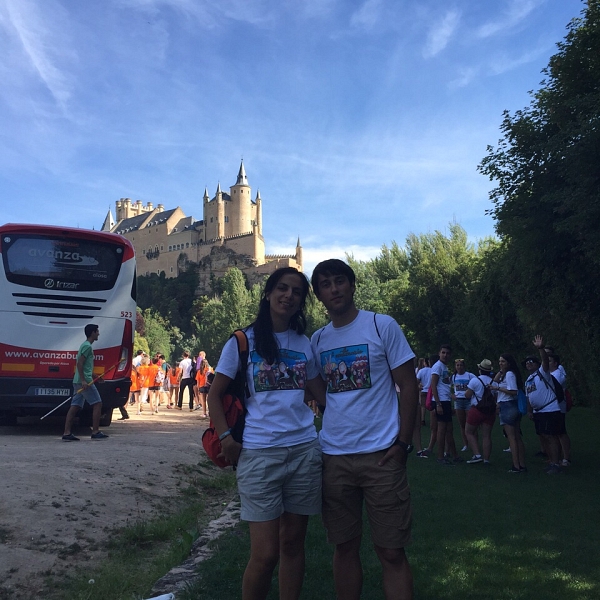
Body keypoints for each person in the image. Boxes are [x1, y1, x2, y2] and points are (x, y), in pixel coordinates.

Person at [207, 267, 325, 600]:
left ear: (301, 301)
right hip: (260, 452)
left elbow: (321, 394)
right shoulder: (243, 341)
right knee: (265, 554)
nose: (289, 296)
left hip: (303, 449)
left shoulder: (304, 344)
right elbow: (214, 395)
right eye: (283, 289)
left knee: (292, 544)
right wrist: (227, 437)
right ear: (269, 293)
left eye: (297, 292)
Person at [310, 259, 418, 600]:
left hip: (382, 455)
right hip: (335, 457)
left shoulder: (381, 326)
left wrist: (402, 444)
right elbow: (319, 392)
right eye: (326, 285)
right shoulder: (317, 340)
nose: (334, 289)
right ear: (319, 296)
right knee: (344, 548)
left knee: (391, 551)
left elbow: (409, 386)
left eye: (340, 281)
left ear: (352, 285)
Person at [523, 335, 564, 475]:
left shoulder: (542, 373)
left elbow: (545, 361)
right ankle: (551, 461)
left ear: (537, 364)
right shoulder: (528, 379)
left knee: (551, 436)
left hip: (549, 408)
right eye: (526, 363)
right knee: (544, 436)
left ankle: (556, 464)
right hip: (538, 411)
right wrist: (529, 411)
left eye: (531, 362)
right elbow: (529, 397)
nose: (528, 364)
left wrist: (540, 349)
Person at [62, 324, 109, 441]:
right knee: (97, 403)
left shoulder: (85, 346)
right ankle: (95, 431)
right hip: (85, 382)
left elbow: (86, 367)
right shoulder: (87, 346)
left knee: (75, 406)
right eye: (97, 331)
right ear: (92, 333)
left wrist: (96, 376)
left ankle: (67, 433)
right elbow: (79, 363)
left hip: (79, 380)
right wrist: (84, 380)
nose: (98, 333)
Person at [491, 354, 526, 473]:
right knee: (516, 436)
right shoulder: (506, 374)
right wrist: (501, 371)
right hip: (511, 406)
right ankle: (521, 464)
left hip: (507, 405)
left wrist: (498, 389)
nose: (500, 363)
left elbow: (513, 391)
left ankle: (516, 465)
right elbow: (495, 381)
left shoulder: (510, 374)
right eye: (500, 361)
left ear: (509, 363)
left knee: (512, 438)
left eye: (503, 361)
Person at [431, 345, 460, 465]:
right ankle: (440, 456)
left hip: (446, 400)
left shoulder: (445, 367)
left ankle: (454, 455)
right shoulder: (437, 367)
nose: (445, 355)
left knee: (449, 429)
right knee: (442, 430)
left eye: (447, 353)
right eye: (443, 352)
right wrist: (438, 403)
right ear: (439, 353)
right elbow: (433, 385)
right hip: (440, 401)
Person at [464, 359, 496, 465]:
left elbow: (467, 395)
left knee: (468, 431)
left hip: (477, 409)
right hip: (490, 411)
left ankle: (477, 454)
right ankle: (486, 459)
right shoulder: (494, 382)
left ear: (480, 370)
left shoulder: (475, 381)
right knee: (486, 435)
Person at [548, 352, 571, 466]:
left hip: (558, 406)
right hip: (551, 407)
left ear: (555, 363)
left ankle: (566, 458)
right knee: (554, 433)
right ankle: (557, 455)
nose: (547, 362)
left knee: (561, 432)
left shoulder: (558, 374)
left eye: (550, 361)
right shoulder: (549, 373)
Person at [451, 359, 475, 452]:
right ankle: (465, 444)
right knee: (462, 424)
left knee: (471, 423)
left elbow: (477, 384)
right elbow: (446, 386)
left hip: (468, 400)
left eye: (461, 365)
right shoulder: (453, 377)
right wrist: (452, 395)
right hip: (458, 401)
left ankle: (473, 441)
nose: (459, 367)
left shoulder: (470, 375)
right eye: (457, 365)